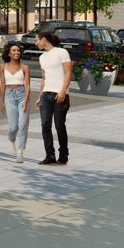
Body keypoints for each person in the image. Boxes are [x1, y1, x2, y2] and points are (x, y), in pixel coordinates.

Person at [34, 31, 71, 166]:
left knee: (59, 125)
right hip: (46, 95)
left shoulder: (61, 52)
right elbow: (44, 78)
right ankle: (50, 155)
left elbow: (68, 73)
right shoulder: (42, 57)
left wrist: (63, 91)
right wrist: (40, 96)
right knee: (45, 125)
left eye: (37, 40)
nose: (35, 43)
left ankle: (63, 155)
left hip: (59, 95)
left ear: (44, 40)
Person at [0, 42, 31, 164]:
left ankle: (20, 151)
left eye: (18, 51)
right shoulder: (3, 67)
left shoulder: (25, 68)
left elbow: (28, 85)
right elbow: (2, 84)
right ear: (9, 53)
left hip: (22, 95)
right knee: (13, 127)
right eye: (13, 50)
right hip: (9, 96)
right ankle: (11, 139)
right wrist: (2, 102)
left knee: (23, 124)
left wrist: (26, 100)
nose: (16, 52)